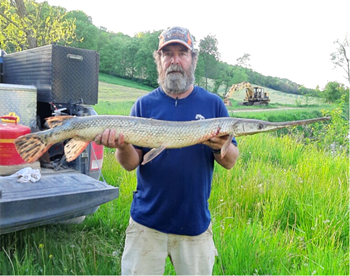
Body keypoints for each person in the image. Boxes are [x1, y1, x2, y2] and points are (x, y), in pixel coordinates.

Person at [95, 26, 239, 275]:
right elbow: (131, 163)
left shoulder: (213, 104)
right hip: (146, 225)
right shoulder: (143, 105)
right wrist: (122, 145)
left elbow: (230, 161)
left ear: (192, 59)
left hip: (194, 225)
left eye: (182, 53)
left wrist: (219, 148)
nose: (174, 60)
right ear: (159, 61)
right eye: (167, 54)